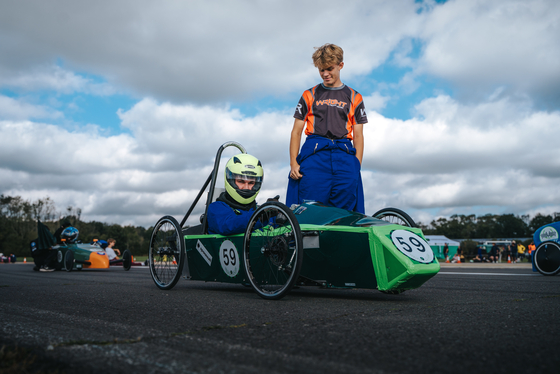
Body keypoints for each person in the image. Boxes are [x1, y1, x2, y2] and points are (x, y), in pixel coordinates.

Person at [287, 43, 368, 213]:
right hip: (315, 154)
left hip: (344, 154)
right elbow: (296, 131)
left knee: (343, 213)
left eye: (329, 69)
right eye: (321, 70)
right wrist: (293, 162)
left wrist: (356, 165)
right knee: (310, 211)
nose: (325, 74)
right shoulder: (309, 94)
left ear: (341, 65)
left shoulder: (355, 96)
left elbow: (358, 135)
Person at [207, 154, 264, 236]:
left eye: (251, 183)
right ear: (230, 180)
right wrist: (260, 216)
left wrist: (278, 213)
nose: (246, 188)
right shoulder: (216, 208)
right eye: (241, 181)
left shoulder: (260, 211)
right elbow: (229, 225)